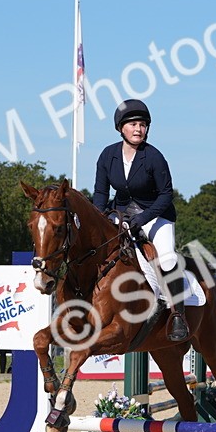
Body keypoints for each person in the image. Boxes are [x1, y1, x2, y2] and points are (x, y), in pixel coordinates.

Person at [92, 98, 188, 342]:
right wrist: (99, 219)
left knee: (166, 258)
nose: (138, 129)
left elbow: (167, 194)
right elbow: (101, 194)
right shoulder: (108, 155)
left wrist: (144, 218)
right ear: (121, 128)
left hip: (156, 214)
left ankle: (178, 314)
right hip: (122, 214)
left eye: (142, 124)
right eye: (133, 124)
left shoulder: (154, 157)